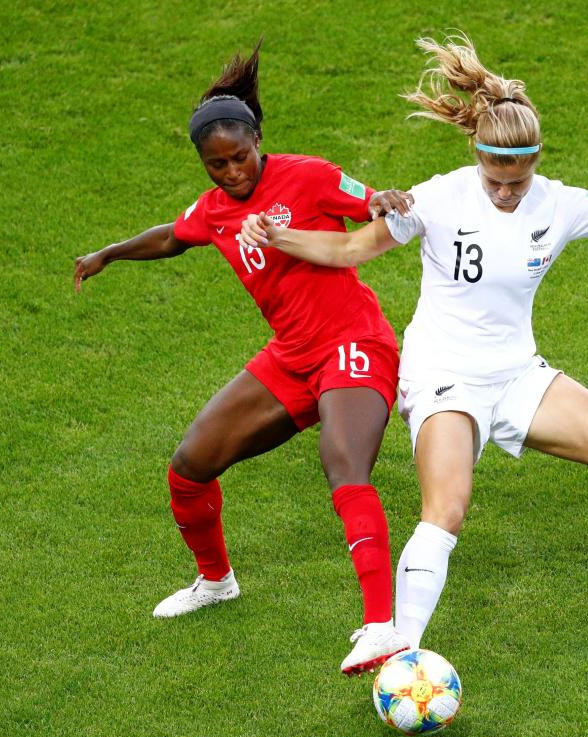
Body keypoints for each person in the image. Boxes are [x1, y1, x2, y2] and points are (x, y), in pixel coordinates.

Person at [240, 34, 588, 647]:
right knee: (447, 509)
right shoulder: (435, 197)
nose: (507, 192)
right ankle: (396, 640)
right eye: (495, 180)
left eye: (518, 180)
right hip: (444, 377)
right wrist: (281, 238)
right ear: (478, 158)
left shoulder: (560, 204)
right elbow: (352, 248)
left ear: (535, 161)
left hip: (516, 375)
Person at [73, 40, 415, 674]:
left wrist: (383, 198)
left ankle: (380, 626)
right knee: (189, 468)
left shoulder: (306, 175)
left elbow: (367, 200)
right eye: (216, 165)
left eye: (240, 157)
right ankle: (216, 581)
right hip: (291, 357)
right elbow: (173, 237)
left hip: (354, 344)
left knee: (343, 465)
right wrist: (109, 254)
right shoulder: (215, 211)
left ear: (259, 140)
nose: (231, 173)